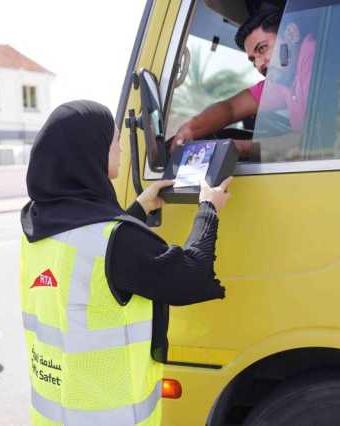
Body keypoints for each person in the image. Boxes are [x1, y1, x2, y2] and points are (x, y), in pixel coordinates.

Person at [19, 100, 231, 426]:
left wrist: (138, 210)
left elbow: (96, 262)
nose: (119, 149)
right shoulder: (116, 241)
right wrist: (209, 208)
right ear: (89, 152)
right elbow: (191, 274)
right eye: (114, 141)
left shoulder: (37, 223)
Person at [172, 5, 316, 162]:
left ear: (291, 34)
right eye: (253, 60)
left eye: (262, 49)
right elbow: (231, 108)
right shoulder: (285, 80)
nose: (260, 64)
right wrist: (190, 129)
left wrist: (240, 147)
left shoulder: (313, 55)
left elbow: (316, 139)